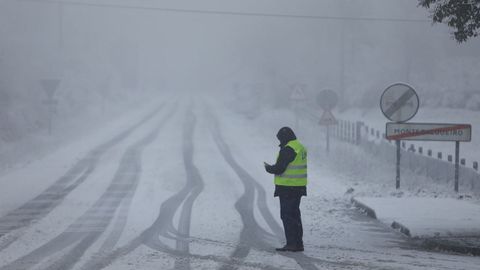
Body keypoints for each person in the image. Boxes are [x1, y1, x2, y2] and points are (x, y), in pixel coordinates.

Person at [264, 127, 307, 252]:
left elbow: (280, 168)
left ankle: (292, 244)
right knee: (295, 215)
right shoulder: (299, 146)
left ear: (284, 137)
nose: (280, 142)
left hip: (288, 187)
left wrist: (269, 168)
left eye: (280, 139)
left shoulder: (288, 149)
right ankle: (298, 243)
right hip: (298, 187)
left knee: (287, 215)